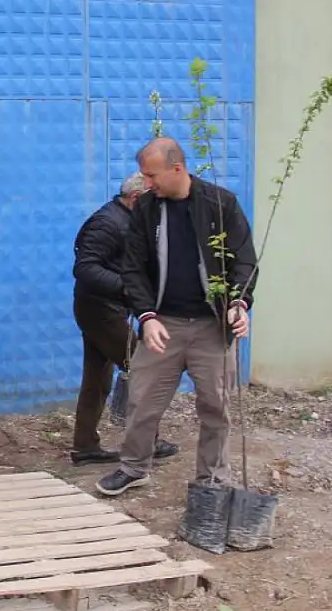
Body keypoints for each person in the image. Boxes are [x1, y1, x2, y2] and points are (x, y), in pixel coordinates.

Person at [95, 137, 257, 496]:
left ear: (177, 168)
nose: (146, 183)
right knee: (141, 400)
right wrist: (147, 316)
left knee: (216, 406)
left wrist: (239, 303)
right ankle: (134, 467)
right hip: (162, 323)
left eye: (152, 176)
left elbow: (245, 260)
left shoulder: (220, 204)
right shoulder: (147, 209)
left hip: (212, 327)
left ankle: (213, 479)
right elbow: (132, 268)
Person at [71, 172, 178, 465]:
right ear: (135, 198)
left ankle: (84, 447)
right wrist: (127, 286)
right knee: (144, 367)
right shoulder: (106, 223)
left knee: (96, 379)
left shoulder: (127, 219)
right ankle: (147, 444)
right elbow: (85, 268)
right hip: (101, 311)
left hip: (102, 309)